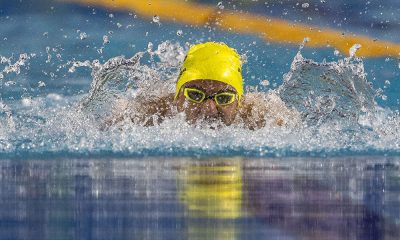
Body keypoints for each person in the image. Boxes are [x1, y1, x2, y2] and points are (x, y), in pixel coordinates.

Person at [105, 42, 299, 130]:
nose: (209, 109)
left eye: (223, 98)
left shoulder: (262, 116)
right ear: (177, 96)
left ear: (239, 101)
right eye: (195, 95)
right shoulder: (149, 113)